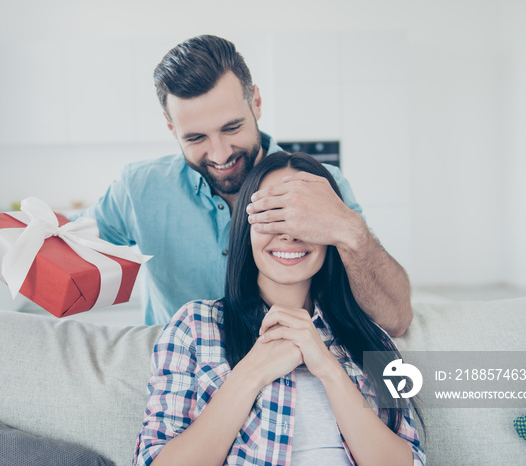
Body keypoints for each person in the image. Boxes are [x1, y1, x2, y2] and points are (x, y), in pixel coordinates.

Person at [78, 34, 412, 336]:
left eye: (232, 127)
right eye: (195, 137)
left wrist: (349, 230)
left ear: (256, 103)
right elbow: (71, 249)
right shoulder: (138, 189)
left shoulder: (324, 184)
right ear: (171, 129)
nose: (220, 154)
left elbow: (394, 320)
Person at [134, 152, 425, 466]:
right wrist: (252, 372)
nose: (289, 232)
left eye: (306, 218)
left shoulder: (367, 332)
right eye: (272, 214)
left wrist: (327, 367)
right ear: (245, 228)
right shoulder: (195, 326)